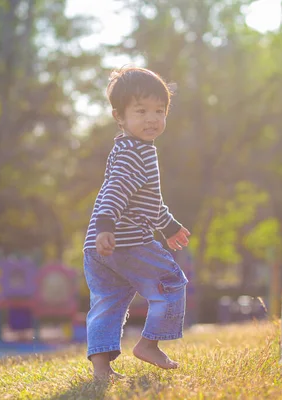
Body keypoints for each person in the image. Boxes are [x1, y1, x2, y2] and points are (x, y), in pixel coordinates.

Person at [83, 66, 191, 380]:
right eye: (140, 111)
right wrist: (107, 223)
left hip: (98, 244)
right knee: (171, 282)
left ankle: (102, 370)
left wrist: (168, 226)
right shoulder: (136, 153)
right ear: (120, 116)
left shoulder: (128, 148)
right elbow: (117, 189)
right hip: (125, 240)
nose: (152, 119)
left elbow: (146, 201)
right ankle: (149, 344)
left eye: (159, 111)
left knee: (108, 301)